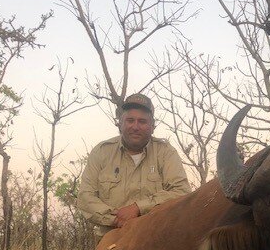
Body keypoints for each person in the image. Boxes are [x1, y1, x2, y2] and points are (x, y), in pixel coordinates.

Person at [77, 93, 191, 240]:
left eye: (142, 121)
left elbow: (182, 192)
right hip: (110, 240)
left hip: (156, 240)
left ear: (152, 126)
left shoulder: (166, 152)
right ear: (120, 123)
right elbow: (85, 198)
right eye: (130, 120)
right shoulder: (102, 152)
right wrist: (116, 219)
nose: (135, 126)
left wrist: (138, 208)